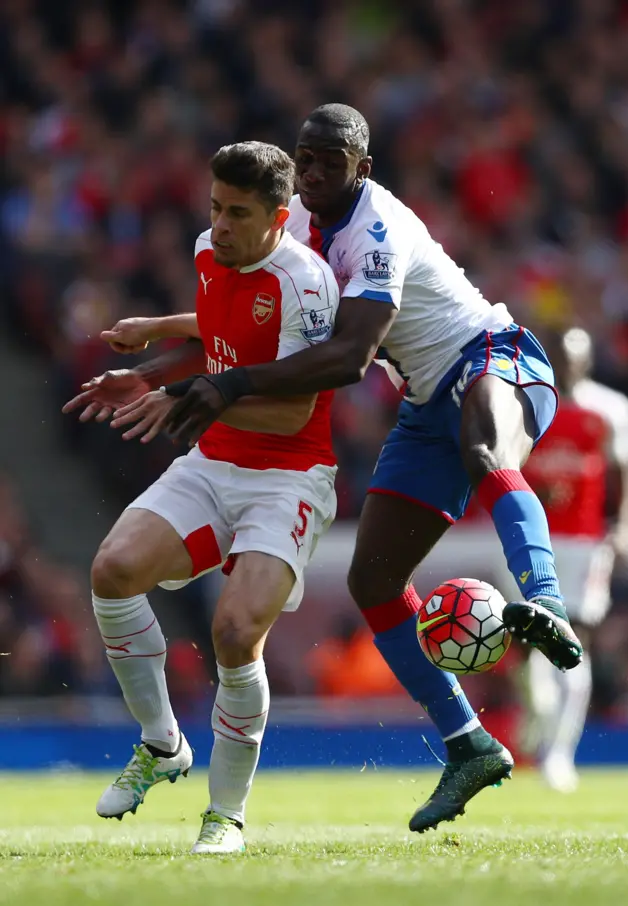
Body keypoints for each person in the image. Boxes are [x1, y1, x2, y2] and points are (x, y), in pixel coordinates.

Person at [67, 105, 583, 834]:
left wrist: (228, 387)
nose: (312, 174)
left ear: (362, 169)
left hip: (490, 357)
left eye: (328, 163)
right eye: (303, 160)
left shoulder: (380, 230)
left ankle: (548, 604)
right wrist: (158, 352)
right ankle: (468, 742)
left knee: (486, 450)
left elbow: (350, 356)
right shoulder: (297, 227)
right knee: (374, 582)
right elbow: (245, 328)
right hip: (425, 399)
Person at [64, 141, 340, 854]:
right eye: (215, 207)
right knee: (113, 571)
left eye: (238, 213)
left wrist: (177, 395)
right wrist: (157, 338)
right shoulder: (207, 252)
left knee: (236, 631)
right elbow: (223, 334)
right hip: (215, 461)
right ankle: (161, 744)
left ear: (280, 217)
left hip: (289, 476)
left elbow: (290, 411)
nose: (219, 225)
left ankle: (226, 815)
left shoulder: (305, 285)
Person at [521, 328, 628, 792]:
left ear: (587, 361)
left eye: (574, 358)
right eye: (559, 357)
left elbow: (625, 468)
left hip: (586, 543)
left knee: (577, 637)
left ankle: (559, 754)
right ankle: (539, 718)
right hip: (530, 539)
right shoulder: (528, 404)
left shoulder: (609, 408)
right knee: (531, 642)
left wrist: (626, 525)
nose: (566, 366)